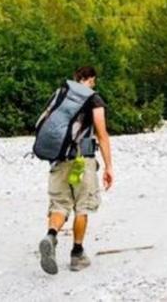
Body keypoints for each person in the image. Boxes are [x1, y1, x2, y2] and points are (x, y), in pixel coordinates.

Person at [38, 66, 114, 275]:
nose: (93, 85)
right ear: (89, 79)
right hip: (82, 161)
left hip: (58, 159)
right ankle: (77, 253)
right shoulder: (94, 99)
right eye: (93, 81)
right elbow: (102, 134)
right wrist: (108, 167)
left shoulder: (60, 94)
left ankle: (51, 235)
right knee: (82, 206)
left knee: (59, 204)